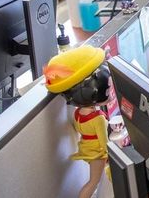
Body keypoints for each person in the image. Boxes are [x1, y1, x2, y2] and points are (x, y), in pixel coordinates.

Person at [43, 46, 111, 198]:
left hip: (85, 147)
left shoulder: (78, 113)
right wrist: (111, 155)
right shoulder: (98, 118)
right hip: (96, 153)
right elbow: (105, 141)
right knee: (94, 182)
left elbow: (78, 127)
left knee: (94, 181)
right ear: (92, 93)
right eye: (107, 90)